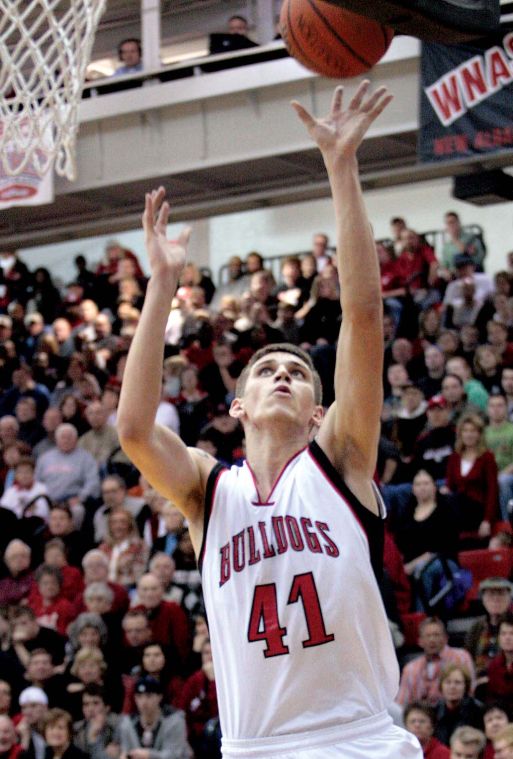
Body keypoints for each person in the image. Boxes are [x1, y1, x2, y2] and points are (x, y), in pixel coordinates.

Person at [117, 81, 422, 757]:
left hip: (358, 738)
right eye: (264, 370)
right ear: (236, 406)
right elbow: (134, 429)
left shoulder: (339, 456)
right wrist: (162, 287)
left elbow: (364, 318)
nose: (280, 373)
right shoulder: (207, 488)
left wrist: (341, 168)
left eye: (297, 372)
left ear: (318, 410)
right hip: (255, 746)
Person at [397, 617, 475, 706]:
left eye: (436, 635)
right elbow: (401, 704)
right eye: (428, 636)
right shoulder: (410, 669)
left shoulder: (461, 657)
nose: (432, 640)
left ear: (445, 638)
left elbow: (470, 691)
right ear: (420, 641)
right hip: (421, 716)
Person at [116, 675, 191, 759]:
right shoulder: (127, 723)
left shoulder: (174, 721)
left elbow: (174, 755)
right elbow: (126, 751)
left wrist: (149, 755)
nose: (143, 702)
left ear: (159, 697)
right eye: (139, 697)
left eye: (149, 696)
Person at [465, 578, 513, 678]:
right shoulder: (476, 627)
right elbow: (467, 658)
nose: (496, 599)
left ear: (509, 598)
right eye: (491, 594)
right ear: (483, 600)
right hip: (479, 682)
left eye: (500, 594)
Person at [433, 664, 484, 746]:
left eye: (457, 683)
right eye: (448, 682)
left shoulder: (478, 711)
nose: (452, 687)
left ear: (465, 686)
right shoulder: (434, 712)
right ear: (441, 686)